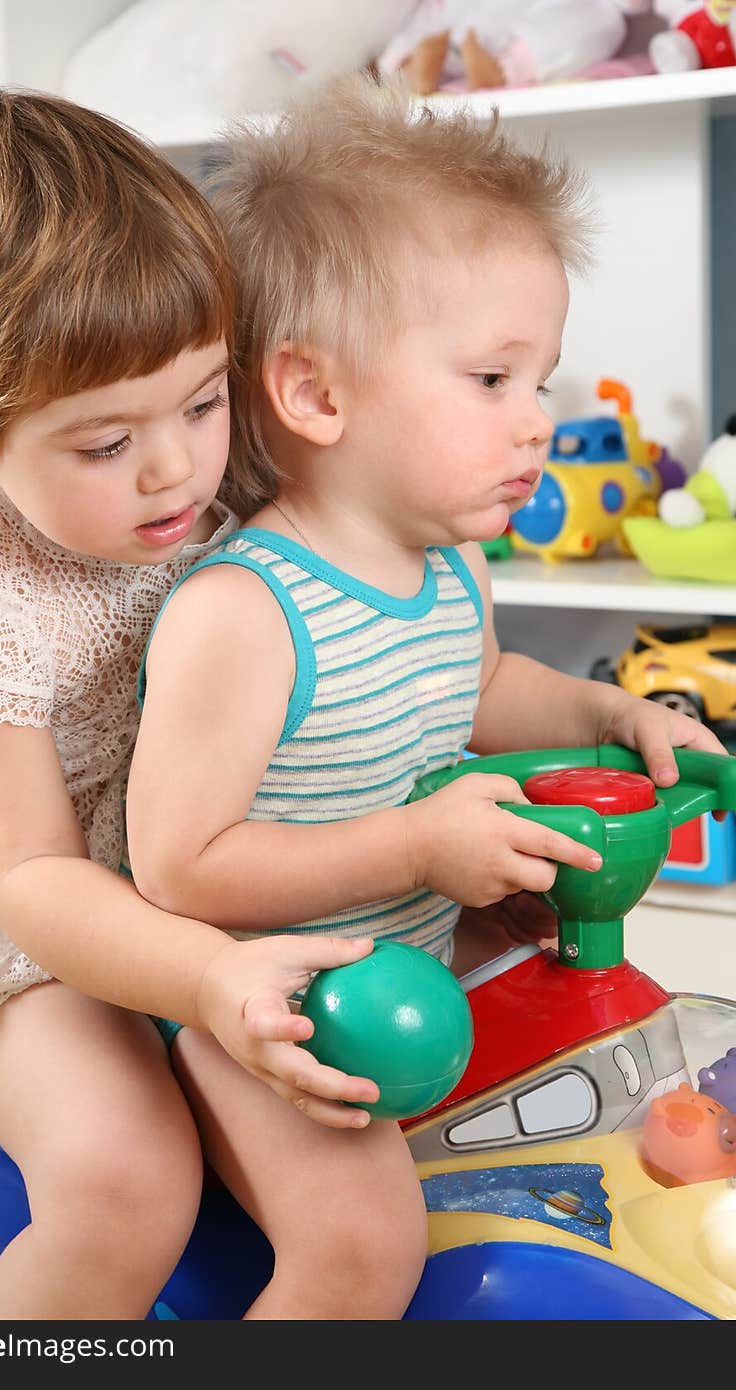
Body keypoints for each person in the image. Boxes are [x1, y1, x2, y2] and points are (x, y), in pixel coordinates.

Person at [126, 75, 729, 1320]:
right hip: (258, 1009)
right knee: (364, 1248)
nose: (539, 422)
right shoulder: (243, 612)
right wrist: (412, 842)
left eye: (542, 377)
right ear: (318, 395)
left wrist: (612, 715)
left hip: (407, 967)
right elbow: (176, 868)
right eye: (493, 379)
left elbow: (486, 686)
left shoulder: (450, 567)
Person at [0, 88, 380, 1321]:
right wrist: (201, 977)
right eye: (103, 445)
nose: (177, 468)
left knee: (377, 1182)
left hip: (190, 854)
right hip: (19, 919)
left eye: (202, 402)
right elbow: (30, 875)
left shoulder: (194, 455)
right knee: (126, 1184)